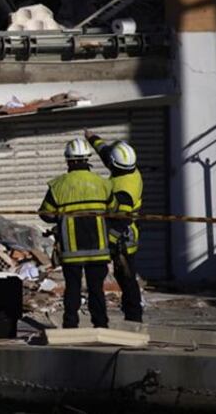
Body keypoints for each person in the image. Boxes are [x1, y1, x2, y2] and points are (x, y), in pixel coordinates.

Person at [38, 137, 113, 329]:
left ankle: (71, 325)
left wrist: (61, 219)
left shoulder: (58, 185)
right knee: (96, 289)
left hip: (71, 251)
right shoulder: (103, 184)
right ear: (88, 158)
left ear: (68, 160)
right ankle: (101, 325)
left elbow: (45, 214)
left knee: (72, 288)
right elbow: (113, 210)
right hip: (98, 249)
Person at [86, 130, 144, 323]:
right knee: (124, 280)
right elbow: (106, 155)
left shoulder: (125, 189)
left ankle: (133, 318)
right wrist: (93, 139)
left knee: (126, 280)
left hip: (121, 239)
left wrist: (108, 242)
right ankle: (130, 317)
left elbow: (122, 219)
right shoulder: (130, 169)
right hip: (122, 235)